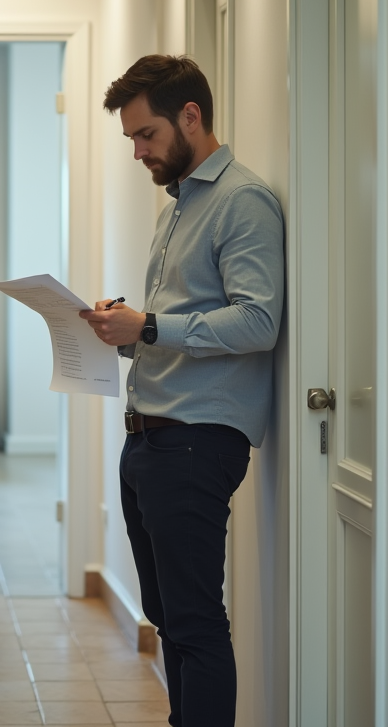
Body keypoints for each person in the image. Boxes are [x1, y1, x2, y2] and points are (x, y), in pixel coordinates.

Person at [79, 55, 284, 727]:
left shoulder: (242, 200)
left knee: (194, 622)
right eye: (132, 139)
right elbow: (181, 323)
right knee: (168, 619)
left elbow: (258, 319)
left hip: (196, 442)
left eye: (147, 135)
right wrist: (126, 329)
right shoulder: (178, 207)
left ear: (190, 116)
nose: (138, 152)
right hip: (149, 440)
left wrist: (153, 324)